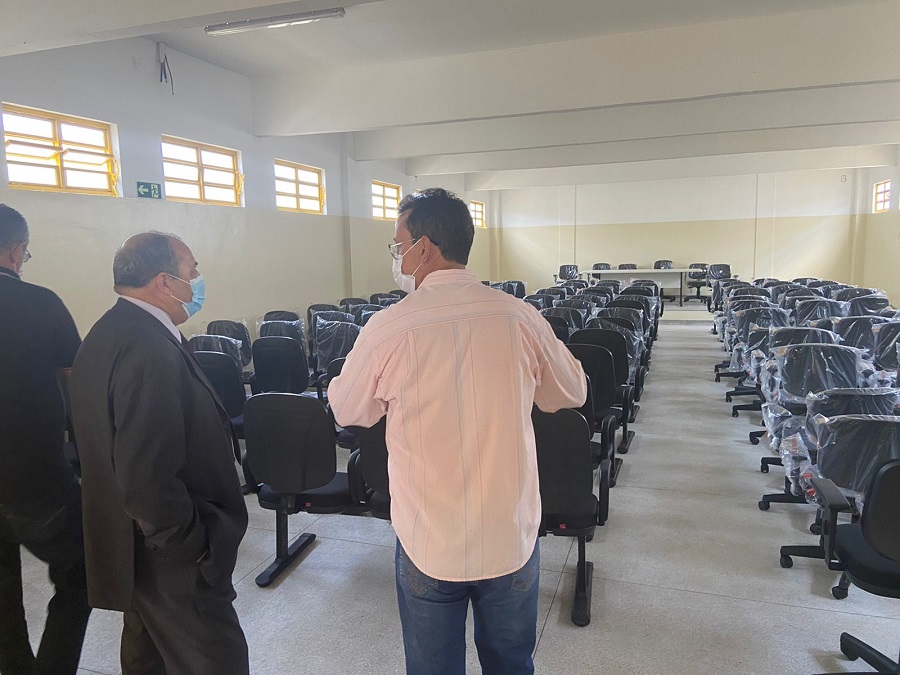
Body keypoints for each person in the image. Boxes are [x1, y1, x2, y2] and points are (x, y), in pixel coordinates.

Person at [328, 188, 587, 675]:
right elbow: (571, 392)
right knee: (511, 665)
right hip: (508, 534)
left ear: (424, 248)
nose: (396, 256)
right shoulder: (518, 316)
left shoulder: (389, 327)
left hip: (430, 538)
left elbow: (347, 409)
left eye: (398, 245)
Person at [69, 232, 249, 675]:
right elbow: (146, 476)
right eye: (192, 270)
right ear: (164, 282)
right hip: (171, 562)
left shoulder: (109, 332)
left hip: (133, 549)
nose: (198, 279)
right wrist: (194, 549)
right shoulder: (147, 350)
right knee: (216, 660)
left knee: (147, 660)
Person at [0, 204, 91, 675]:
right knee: (84, 573)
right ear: (16, 252)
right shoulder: (40, 303)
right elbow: (78, 387)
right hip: (35, 479)